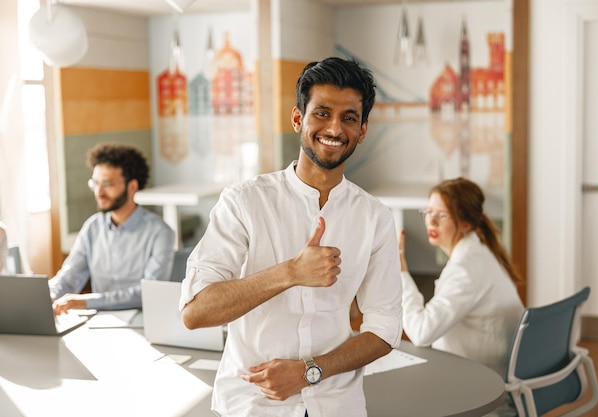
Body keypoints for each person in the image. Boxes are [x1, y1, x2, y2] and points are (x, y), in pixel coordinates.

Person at [180, 57, 403, 417]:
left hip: (337, 406)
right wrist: (290, 273)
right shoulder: (244, 201)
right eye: (322, 113)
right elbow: (195, 312)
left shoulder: (374, 217)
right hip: (252, 405)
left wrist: (309, 373)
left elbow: (386, 327)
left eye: (349, 118)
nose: (335, 127)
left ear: (362, 130)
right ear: (298, 119)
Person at [399, 177, 523, 415]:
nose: (431, 221)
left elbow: (420, 333)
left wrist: (401, 273)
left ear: (465, 223)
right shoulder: (478, 252)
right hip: (487, 370)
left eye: (442, 215)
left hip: (479, 385)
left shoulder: (465, 271)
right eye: (428, 211)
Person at [49, 143, 175, 314]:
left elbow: (147, 293)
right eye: (95, 183)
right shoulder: (92, 228)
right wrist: (46, 296)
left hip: (143, 323)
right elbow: (68, 278)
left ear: (132, 187)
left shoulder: (160, 233)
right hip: (99, 322)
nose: (99, 193)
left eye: (108, 184)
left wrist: (88, 301)